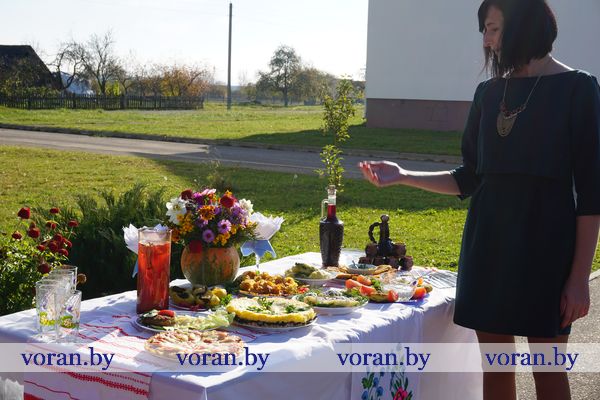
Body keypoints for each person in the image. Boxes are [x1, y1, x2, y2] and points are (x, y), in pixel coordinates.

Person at [359, 0, 600, 399]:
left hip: (547, 254)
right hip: (488, 251)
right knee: (496, 370)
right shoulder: (488, 94)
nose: (487, 41)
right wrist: (403, 175)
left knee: (548, 371)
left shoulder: (578, 88)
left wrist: (579, 278)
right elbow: (468, 178)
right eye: (484, 31)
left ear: (524, 25)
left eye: (493, 28)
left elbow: (591, 195)